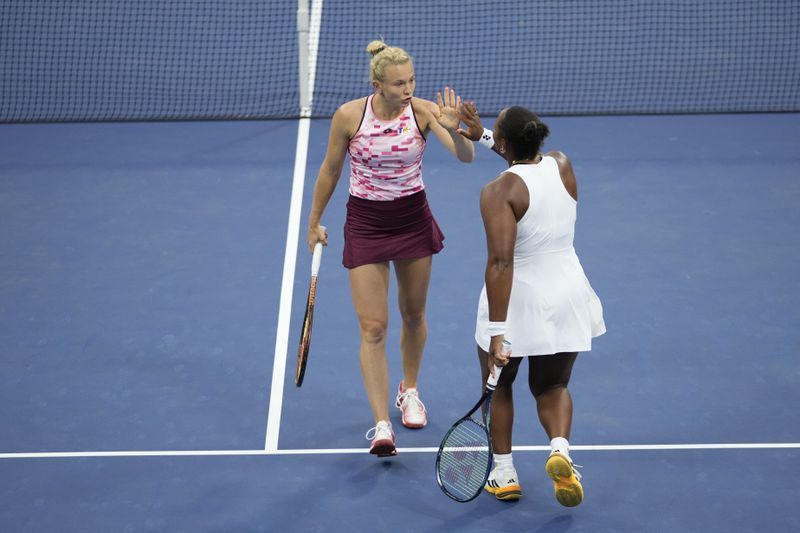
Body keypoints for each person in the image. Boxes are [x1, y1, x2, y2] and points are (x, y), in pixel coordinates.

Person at [306, 40, 475, 457]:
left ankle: (410, 390)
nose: (408, 88)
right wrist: (313, 221)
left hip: (412, 220)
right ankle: (382, 423)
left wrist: (454, 128)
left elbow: (465, 157)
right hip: (366, 223)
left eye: (412, 80)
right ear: (377, 83)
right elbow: (330, 169)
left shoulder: (423, 112)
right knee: (374, 327)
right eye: (399, 83)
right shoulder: (349, 116)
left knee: (414, 314)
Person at [460, 103, 605, 505]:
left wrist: (496, 332)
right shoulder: (562, 165)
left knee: (500, 385)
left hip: (519, 299)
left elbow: (501, 262)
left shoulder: (497, 192)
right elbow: (528, 169)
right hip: (568, 293)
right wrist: (485, 137)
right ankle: (560, 449)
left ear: (505, 141)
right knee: (553, 385)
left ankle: (504, 473)